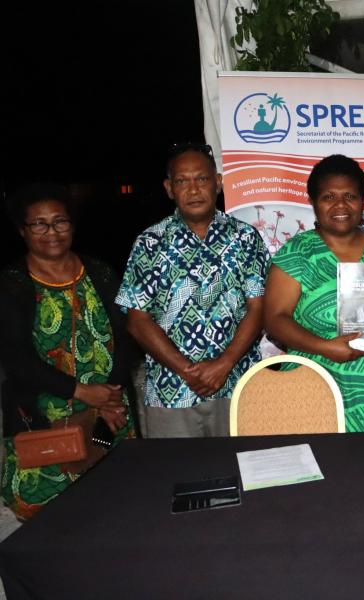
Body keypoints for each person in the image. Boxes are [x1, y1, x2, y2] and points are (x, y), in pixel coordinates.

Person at [0, 183, 136, 520]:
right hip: (46, 422)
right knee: (51, 517)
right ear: (22, 230)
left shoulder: (101, 274)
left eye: (60, 222)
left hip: (109, 414)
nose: (52, 232)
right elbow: (16, 359)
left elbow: (127, 334)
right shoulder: (11, 284)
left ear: (72, 226)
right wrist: (83, 393)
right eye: (39, 224)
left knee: (112, 497)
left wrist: (109, 397)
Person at [116, 143, 269, 437]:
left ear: (218, 183)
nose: (193, 189)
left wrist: (223, 364)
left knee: (243, 473)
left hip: (236, 384)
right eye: (182, 181)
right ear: (169, 188)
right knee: (174, 477)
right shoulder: (150, 243)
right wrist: (187, 370)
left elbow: (259, 308)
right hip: (172, 393)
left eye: (201, 178)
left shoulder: (246, 237)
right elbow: (137, 321)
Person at [264, 155, 364, 432]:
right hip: (315, 382)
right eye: (328, 196)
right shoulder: (297, 253)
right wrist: (325, 347)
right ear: (314, 202)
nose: (340, 205)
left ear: (362, 200)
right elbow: (275, 320)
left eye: (350, 196)